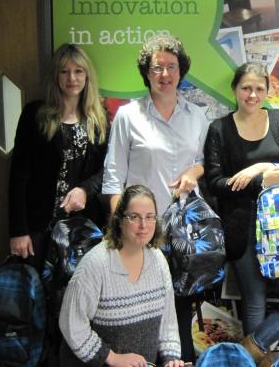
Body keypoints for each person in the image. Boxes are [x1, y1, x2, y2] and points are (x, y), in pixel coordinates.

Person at [102, 33, 208, 362]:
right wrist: (121, 230)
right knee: (143, 311)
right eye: (156, 68)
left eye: (171, 67)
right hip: (143, 230)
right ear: (146, 73)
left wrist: (194, 172)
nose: (164, 74)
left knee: (183, 307)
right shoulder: (128, 115)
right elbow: (114, 176)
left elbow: (204, 161)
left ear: (181, 70)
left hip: (186, 230)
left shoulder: (197, 116)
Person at [204, 63, 279, 366]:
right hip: (242, 226)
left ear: (267, 91)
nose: (252, 95)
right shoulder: (219, 129)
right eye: (246, 88)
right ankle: (253, 362)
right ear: (234, 90)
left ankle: (249, 349)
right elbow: (215, 183)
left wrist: (260, 167)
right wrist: (261, 180)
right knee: (254, 304)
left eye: (259, 88)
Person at [59, 185, 184, 367]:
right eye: (134, 217)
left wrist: (170, 358)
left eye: (150, 217)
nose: (144, 225)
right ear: (119, 220)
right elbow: (71, 324)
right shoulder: (95, 265)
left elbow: (168, 321)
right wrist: (112, 357)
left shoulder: (158, 260)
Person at [8, 43, 109, 270]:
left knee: (80, 288)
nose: (72, 78)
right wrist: (18, 231)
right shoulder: (35, 115)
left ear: (87, 76)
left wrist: (85, 190)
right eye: (64, 71)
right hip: (39, 226)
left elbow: (107, 170)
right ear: (56, 76)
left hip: (83, 226)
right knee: (38, 287)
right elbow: (18, 175)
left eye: (78, 71)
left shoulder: (98, 118)